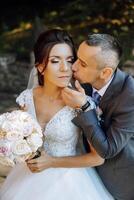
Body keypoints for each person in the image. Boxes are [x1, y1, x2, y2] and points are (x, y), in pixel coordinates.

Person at [0, 29, 113, 200]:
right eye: (55, 61)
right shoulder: (27, 97)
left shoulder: (81, 102)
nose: (65, 68)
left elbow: (97, 158)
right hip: (26, 178)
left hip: (69, 182)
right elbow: (20, 139)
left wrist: (51, 162)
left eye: (69, 60)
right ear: (40, 67)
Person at [60, 34, 134, 200]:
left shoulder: (130, 95)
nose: (74, 67)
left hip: (120, 182)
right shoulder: (82, 79)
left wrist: (86, 107)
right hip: (83, 173)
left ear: (105, 72)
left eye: (83, 64)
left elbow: (108, 150)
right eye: (76, 58)